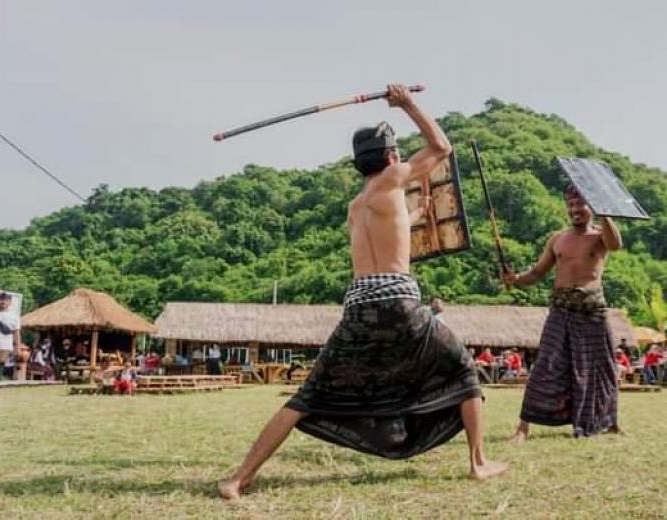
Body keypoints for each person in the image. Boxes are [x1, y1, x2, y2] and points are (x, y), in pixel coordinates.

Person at [218, 84, 507, 500]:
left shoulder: (357, 206)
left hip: (358, 309)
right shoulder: (394, 177)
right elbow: (441, 148)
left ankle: (239, 478)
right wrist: (407, 103)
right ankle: (478, 463)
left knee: (305, 397)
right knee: (463, 369)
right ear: (391, 158)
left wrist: (415, 214)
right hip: (400, 306)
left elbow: (386, 229)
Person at [503, 184, 623, 442]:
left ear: (591, 206)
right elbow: (537, 273)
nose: (575, 209)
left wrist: (604, 211)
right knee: (544, 365)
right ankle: (522, 429)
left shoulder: (601, 235)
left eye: (580, 204)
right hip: (560, 310)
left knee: (603, 367)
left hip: (592, 311)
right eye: (570, 204)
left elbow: (616, 245)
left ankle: (608, 422)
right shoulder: (557, 239)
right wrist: (516, 279)